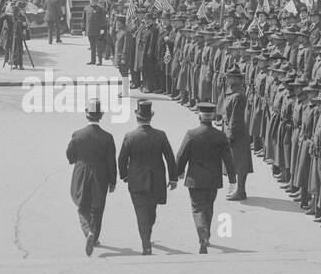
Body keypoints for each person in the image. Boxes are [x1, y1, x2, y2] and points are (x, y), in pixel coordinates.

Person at [117, 99, 178, 255]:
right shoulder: (160, 135)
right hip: (157, 180)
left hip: (136, 181)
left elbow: (122, 159)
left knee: (141, 212)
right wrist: (173, 178)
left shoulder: (130, 136)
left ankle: (146, 241)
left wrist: (124, 176)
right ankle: (146, 241)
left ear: (137, 117)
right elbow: (170, 157)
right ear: (151, 116)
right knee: (151, 211)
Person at [175, 102, 235, 254]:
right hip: (213, 179)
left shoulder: (191, 134)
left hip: (194, 179)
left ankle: (202, 236)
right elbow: (228, 158)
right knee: (209, 207)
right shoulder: (220, 136)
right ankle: (206, 234)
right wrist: (233, 179)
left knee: (197, 208)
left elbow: (181, 155)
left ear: (200, 116)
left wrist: (178, 172)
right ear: (213, 116)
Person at [66, 99, 116, 256]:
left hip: (81, 173)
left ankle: (88, 232)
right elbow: (111, 162)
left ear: (86, 115)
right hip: (100, 175)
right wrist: (113, 181)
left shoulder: (78, 134)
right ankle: (94, 237)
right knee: (98, 208)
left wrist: (76, 160)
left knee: (82, 206)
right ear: (100, 115)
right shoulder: (107, 137)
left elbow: (70, 154)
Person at [219, 65, 252, 200]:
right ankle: (238, 189)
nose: (228, 79)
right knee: (234, 161)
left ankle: (241, 191)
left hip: (237, 132)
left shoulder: (239, 95)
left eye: (231, 77)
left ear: (238, 79)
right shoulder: (232, 91)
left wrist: (230, 134)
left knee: (240, 163)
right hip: (230, 129)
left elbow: (235, 118)